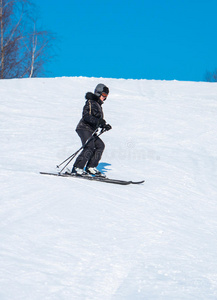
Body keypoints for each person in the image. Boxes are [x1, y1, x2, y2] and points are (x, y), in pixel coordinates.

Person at [71, 83, 112, 176]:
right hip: (83, 128)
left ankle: (91, 167)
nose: (105, 97)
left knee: (100, 145)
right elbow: (86, 117)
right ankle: (77, 167)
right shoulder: (90, 102)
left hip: (91, 130)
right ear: (98, 93)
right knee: (89, 146)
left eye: (106, 96)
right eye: (104, 95)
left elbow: (97, 120)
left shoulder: (98, 105)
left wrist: (104, 125)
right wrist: (98, 122)